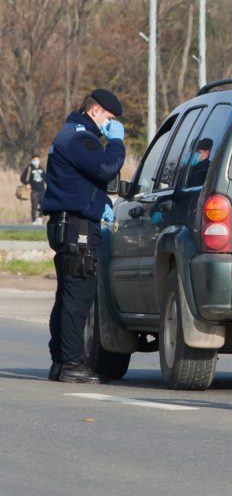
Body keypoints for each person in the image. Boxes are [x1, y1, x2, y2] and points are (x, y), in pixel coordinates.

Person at [40, 89, 126, 384]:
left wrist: (98, 202)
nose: (111, 124)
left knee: (67, 295)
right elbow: (105, 167)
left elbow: (82, 180)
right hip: (77, 230)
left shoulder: (70, 134)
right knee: (78, 298)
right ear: (96, 111)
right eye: (110, 118)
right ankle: (71, 363)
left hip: (69, 223)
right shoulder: (81, 137)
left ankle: (60, 361)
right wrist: (116, 142)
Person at [20, 153, 47, 225]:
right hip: (34, 190)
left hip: (42, 189)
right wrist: (27, 183)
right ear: (32, 160)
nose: (36, 161)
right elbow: (23, 178)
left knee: (44, 205)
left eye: (37, 159)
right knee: (34, 206)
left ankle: (40, 218)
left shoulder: (41, 168)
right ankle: (34, 220)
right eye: (34, 159)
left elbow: (45, 178)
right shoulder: (29, 168)